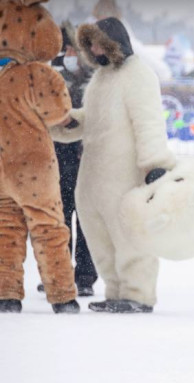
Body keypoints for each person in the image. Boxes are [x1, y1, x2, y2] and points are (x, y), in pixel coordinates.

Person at [51, 18, 175, 313]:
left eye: (97, 41)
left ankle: (138, 293)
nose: (92, 48)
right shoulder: (102, 77)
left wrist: (154, 165)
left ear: (113, 41)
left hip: (124, 175)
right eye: (90, 43)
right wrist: (67, 122)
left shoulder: (138, 75)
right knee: (101, 239)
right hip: (94, 176)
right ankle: (116, 290)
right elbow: (92, 120)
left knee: (130, 235)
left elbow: (149, 122)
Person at [0, 1, 79, 313]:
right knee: (48, 227)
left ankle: (6, 293)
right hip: (32, 165)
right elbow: (57, 111)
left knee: (5, 228)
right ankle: (62, 294)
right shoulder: (33, 74)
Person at [48, 23, 99, 297]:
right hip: (56, 158)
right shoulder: (51, 73)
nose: (68, 54)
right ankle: (59, 273)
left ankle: (86, 277)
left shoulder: (93, 75)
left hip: (85, 158)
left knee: (86, 222)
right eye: (65, 48)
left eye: (73, 49)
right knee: (59, 221)